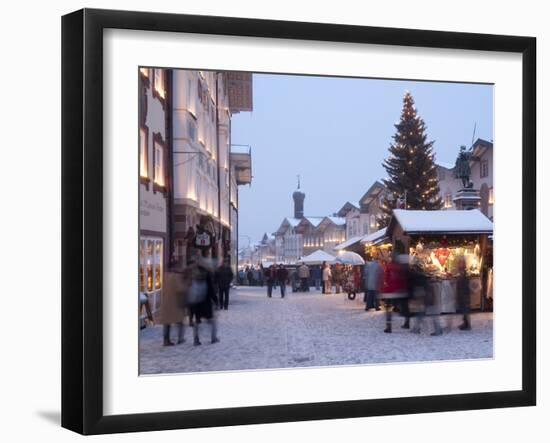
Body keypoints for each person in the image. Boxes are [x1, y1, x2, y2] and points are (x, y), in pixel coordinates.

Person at [185, 259, 219, 345]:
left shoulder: (193, 274)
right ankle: (213, 338)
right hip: (205, 302)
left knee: (197, 321)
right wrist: (216, 300)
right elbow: (211, 289)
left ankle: (196, 339)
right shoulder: (207, 274)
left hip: (196, 302)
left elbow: (188, 287)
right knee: (211, 321)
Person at [379, 254, 409, 333]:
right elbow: (404, 278)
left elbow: (386, 278)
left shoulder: (389, 267)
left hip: (390, 290)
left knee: (388, 309)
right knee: (404, 307)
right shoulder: (401, 267)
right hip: (401, 290)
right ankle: (407, 322)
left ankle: (389, 326)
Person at [159, 269, 187, 346]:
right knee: (180, 322)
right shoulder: (176, 277)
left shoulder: (166, 276)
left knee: (167, 323)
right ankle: (180, 338)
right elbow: (181, 289)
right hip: (175, 304)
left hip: (166, 303)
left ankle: (166, 340)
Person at [456, 255, 472, 330]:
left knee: (465, 309)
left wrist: (462, 294)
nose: (458, 264)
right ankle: (465, 323)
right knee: (463, 309)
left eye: (460, 263)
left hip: (464, 294)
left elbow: (464, 284)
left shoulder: (464, 273)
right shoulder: (462, 272)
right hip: (462, 293)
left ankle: (467, 325)